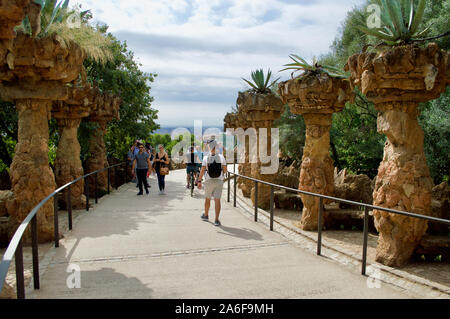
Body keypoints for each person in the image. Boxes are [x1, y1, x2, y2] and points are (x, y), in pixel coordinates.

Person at [197, 140, 227, 226]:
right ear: (217, 147)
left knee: (208, 199)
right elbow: (225, 170)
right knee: (217, 200)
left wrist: (199, 181)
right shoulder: (221, 157)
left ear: (209, 147)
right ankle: (216, 220)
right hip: (219, 181)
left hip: (208, 181)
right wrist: (221, 174)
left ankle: (206, 215)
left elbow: (202, 170)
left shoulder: (206, 158)